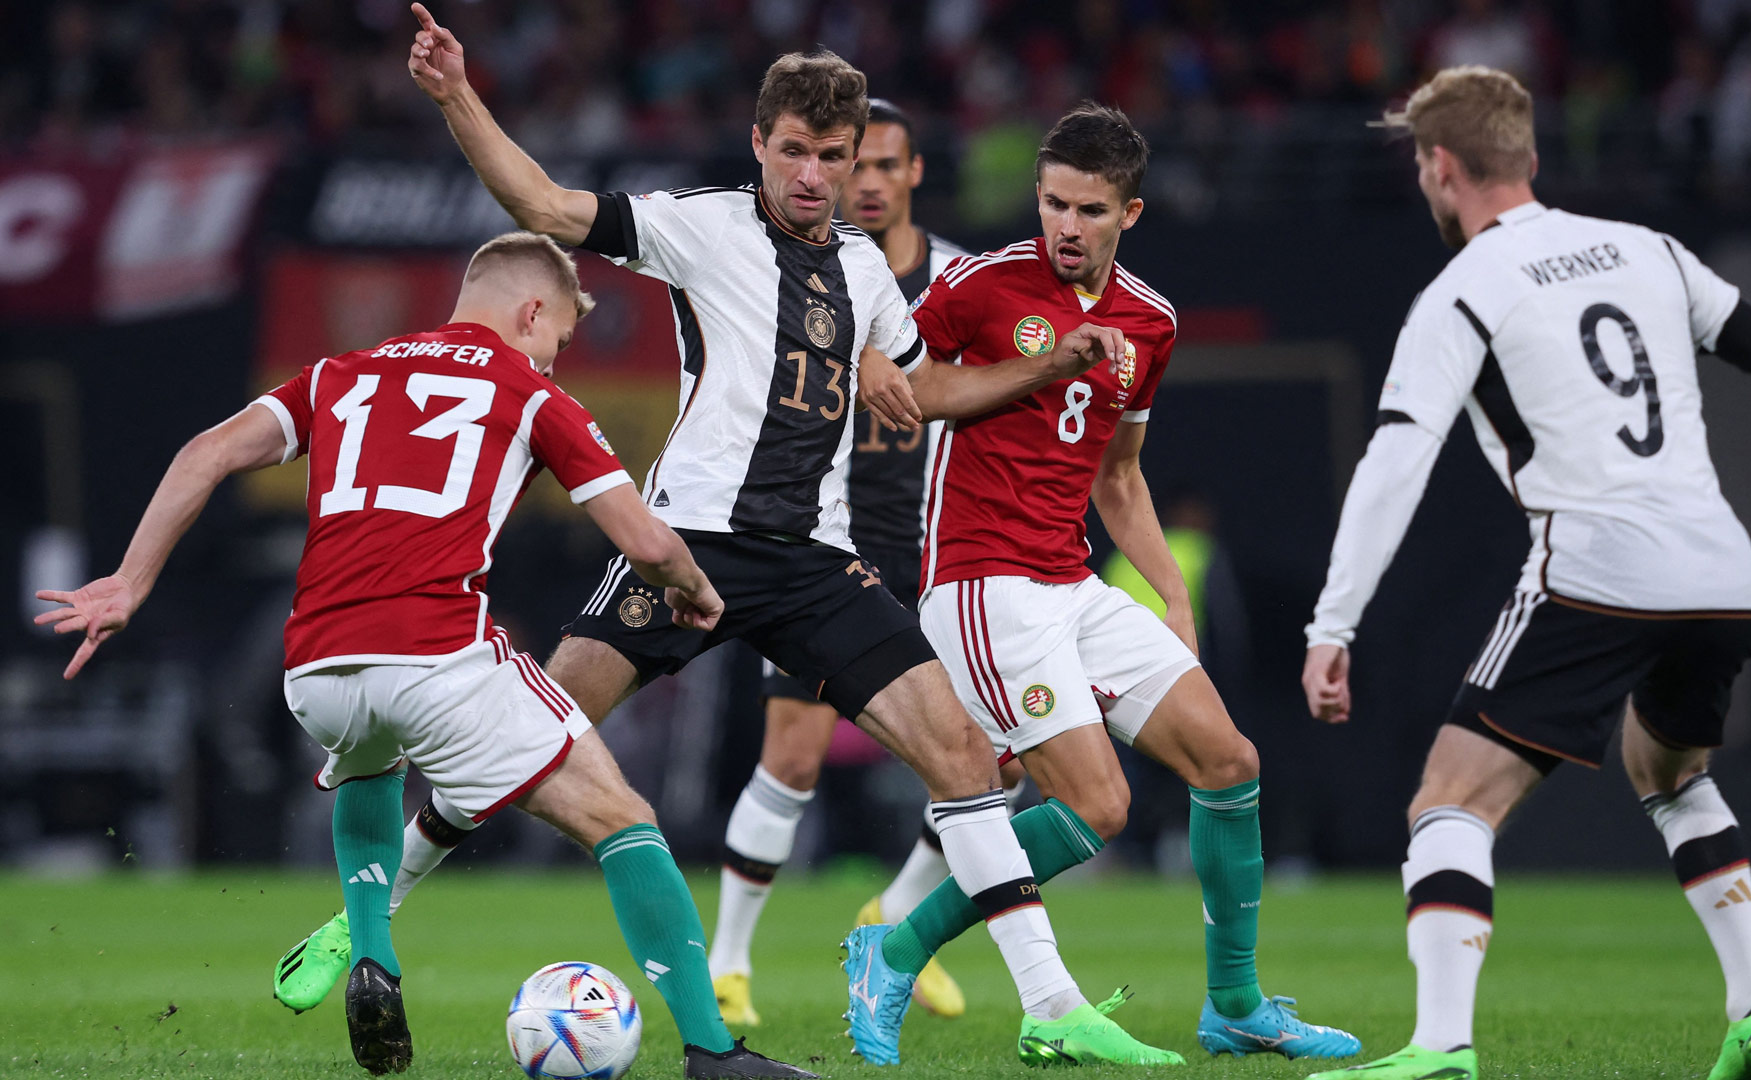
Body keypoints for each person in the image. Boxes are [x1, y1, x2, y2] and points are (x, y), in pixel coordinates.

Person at [274, 5, 1177, 1067]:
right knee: (529, 750)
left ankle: (1049, 1002)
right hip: (687, 545)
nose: (811, 174)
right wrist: (454, 95)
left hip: (815, 566)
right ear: (760, 143)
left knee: (965, 756)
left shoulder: (866, 273)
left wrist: (1046, 366)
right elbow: (540, 202)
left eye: (831, 157)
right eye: (793, 150)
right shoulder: (697, 227)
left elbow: (922, 392)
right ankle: (362, 922)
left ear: (850, 163)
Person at [37, 233, 813, 1078]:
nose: (556, 356)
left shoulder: (337, 375)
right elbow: (645, 539)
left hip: (316, 665)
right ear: (532, 313)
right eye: (558, 337)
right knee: (623, 822)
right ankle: (712, 1052)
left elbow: (206, 452)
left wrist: (128, 580)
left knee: (368, 759)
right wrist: (695, 588)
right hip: (436, 652)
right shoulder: (528, 390)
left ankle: (373, 952)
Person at [1297, 66, 1751, 1080]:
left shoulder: (1462, 287)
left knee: (1449, 802)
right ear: (1531, 159)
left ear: (1439, 169)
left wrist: (1331, 625)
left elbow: (1395, 461)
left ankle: (1439, 1047)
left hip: (1596, 563)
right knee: (1673, 773)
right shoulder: (1650, 250)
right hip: (1722, 570)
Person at [838, 103, 1361, 1067]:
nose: (1065, 228)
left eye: (1087, 209)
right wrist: (1038, 364)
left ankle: (1236, 1005)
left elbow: (1118, 477)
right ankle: (895, 948)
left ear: (1132, 212)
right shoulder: (981, 286)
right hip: (983, 585)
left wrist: (1171, 593)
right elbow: (889, 375)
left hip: (1072, 582)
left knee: (1228, 761)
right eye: (1052, 205)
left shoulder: (1150, 322)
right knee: (1099, 810)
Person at [705, 98, 986, 1029]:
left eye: (883, 166)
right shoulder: (795, 265)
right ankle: (729, 962)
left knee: (995, 757)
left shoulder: (957, 280)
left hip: (937, 545)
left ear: (910, 174)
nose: (864, 183)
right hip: (823, 540)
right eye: (852, 166)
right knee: (792, 755)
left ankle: (895, 913)